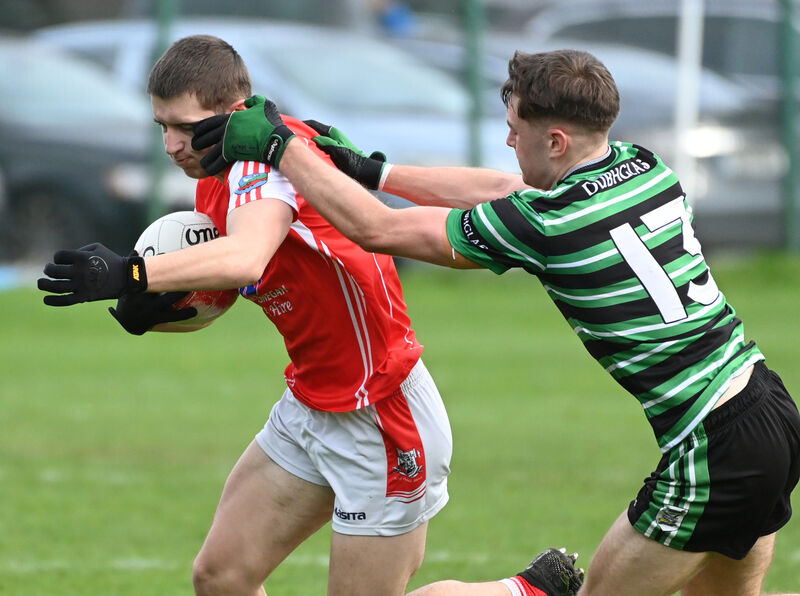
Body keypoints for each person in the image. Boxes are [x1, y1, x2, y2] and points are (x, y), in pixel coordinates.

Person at [188, 48, 800, 596]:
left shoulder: (548, 223)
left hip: (711, 445)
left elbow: (377, 229)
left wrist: (284, 148)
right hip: (767, 403)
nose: (508, 141)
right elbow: (501, 186)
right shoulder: (644, 166)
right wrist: (371, 171)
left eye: (515, 130)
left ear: (555, 141)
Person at [36, 36, 583, 596]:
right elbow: (240, 282)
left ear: (231, 112)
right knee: (222, 578)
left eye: (184, 126)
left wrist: (129, 273)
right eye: (162, 126)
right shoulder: (220, 173)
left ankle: (530, 591)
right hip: (312, 406)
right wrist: (156, 309)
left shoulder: (266, 162)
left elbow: (246, 256)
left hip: (381, 413)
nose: (172, 144)